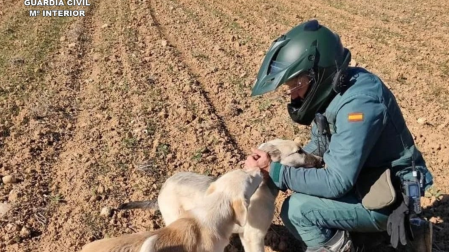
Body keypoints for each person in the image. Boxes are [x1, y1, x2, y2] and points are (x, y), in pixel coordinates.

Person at [245, 19, 434, 252]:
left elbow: (336, 182)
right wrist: (278, 161)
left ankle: (400, 229)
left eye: (296, 86)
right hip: (367, 180)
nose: (293, 97)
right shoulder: (332, 94)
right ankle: (378, 238)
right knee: (305, 186)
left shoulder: (359, 105)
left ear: (318, 74)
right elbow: (320, 144)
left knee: (297, 210)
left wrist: (276, 173)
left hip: (392, 195)